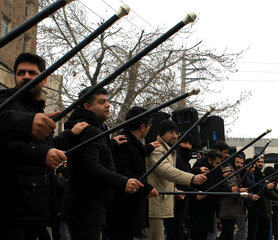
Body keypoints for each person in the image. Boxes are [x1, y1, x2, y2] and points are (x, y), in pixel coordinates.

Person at [0, 52, 87, 240]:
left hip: (35, 212)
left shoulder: (37, 111)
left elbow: (41, 147)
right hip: (10, 212)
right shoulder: (5, 102)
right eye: (21, 72)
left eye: (32, 73)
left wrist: (69, 136)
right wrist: (28, 124)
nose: (26, 77)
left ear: (44, 79)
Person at [61, 87, 144, 240]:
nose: (108, 105)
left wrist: (110, 143)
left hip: (92, 206)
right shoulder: (89, 130)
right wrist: (123, 181)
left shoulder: (95, 130)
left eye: (107, 101)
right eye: (101, 102)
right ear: (87, 106)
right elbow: (90, 165)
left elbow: (92, 153)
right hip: (86, 206)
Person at [146, 119, 207, 240]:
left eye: (176, 132)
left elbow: (165, 180)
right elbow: (165, 171)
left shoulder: (170, 151)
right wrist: (192, 178)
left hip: (163, 203)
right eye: (171, 132)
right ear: (162, 134)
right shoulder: (158, 150)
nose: (175, 135)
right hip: (155, 203)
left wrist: (175, 190)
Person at [106, 106, 159, 240]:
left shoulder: (132, 141)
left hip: (129, 208)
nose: (149, 128)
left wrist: (151, 147)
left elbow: (137, 153)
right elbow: (123, 169)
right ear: (142, 127)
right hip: (123, 208)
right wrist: (145, 188)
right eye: (149, 125)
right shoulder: (123, 141)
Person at [189, 150, 238, 240]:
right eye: (216, 163)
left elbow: (217, 183)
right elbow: (210, 188)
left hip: (209, 207)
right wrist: (229, 190)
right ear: (209, 160)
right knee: (199, 234)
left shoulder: (214, 169)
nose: (217, 165)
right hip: (200, 208)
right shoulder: (202, 168)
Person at [218, 153, 260, 240]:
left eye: (241, 163)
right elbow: (233, 188)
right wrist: (250, 195)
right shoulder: (229, 170)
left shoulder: (239, 172)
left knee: (227, 234)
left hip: (234, 209)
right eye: (237, 162)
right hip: (228, 208)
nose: (239, 165)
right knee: (228, 234)